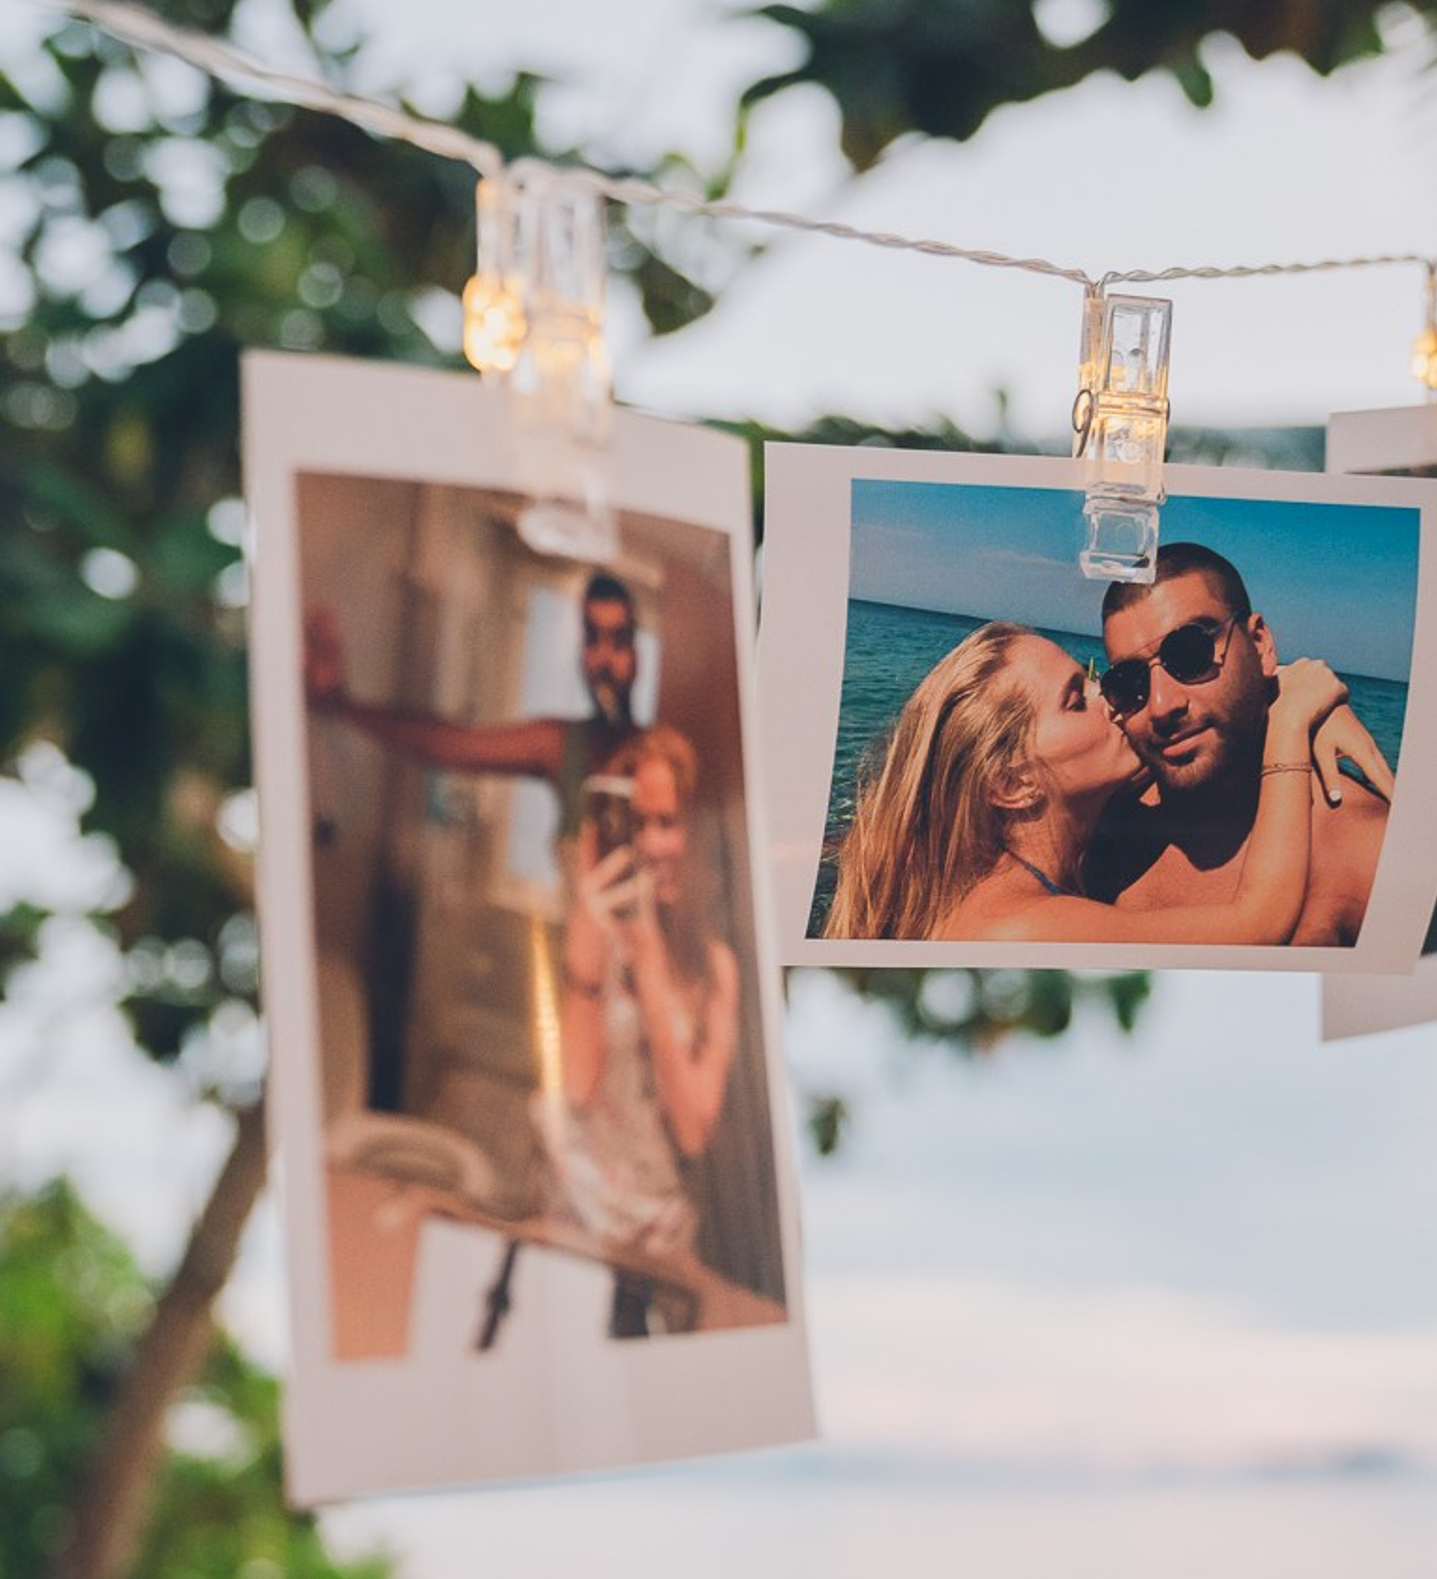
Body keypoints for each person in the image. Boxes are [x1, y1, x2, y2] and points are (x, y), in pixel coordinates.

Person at [824, 617, 1358, 944]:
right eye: (1079, 700)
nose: (1116, 700)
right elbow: (1257, 925)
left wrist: (1264, 695)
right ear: (1013, 784)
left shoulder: (1001, 871)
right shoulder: (1023, 929)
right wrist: (1291, 721)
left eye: (1096, 678)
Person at [1084, 543, 1394, 945]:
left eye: (1191, 653)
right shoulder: (1103, 825)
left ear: (1261, 645)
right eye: (1129, 682)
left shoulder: (1368, 848)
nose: (1161, 706)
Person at [544, 727, 739, 1294]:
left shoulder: (713, 965)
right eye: (637, 824)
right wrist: (590, 937)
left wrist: (650, 964)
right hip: (576, 1216)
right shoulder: (588, 931)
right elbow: (577, 1087)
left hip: (660, 1234)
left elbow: (692, 1129)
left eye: (668, 822)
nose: (653, 846)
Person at [302, 569, 642, 832]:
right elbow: (451, 746)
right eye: (592, 638)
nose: (604, 659)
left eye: (620, 639)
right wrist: (341, 705)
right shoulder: (560, 745)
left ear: (638, 651)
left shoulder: (659, 753)